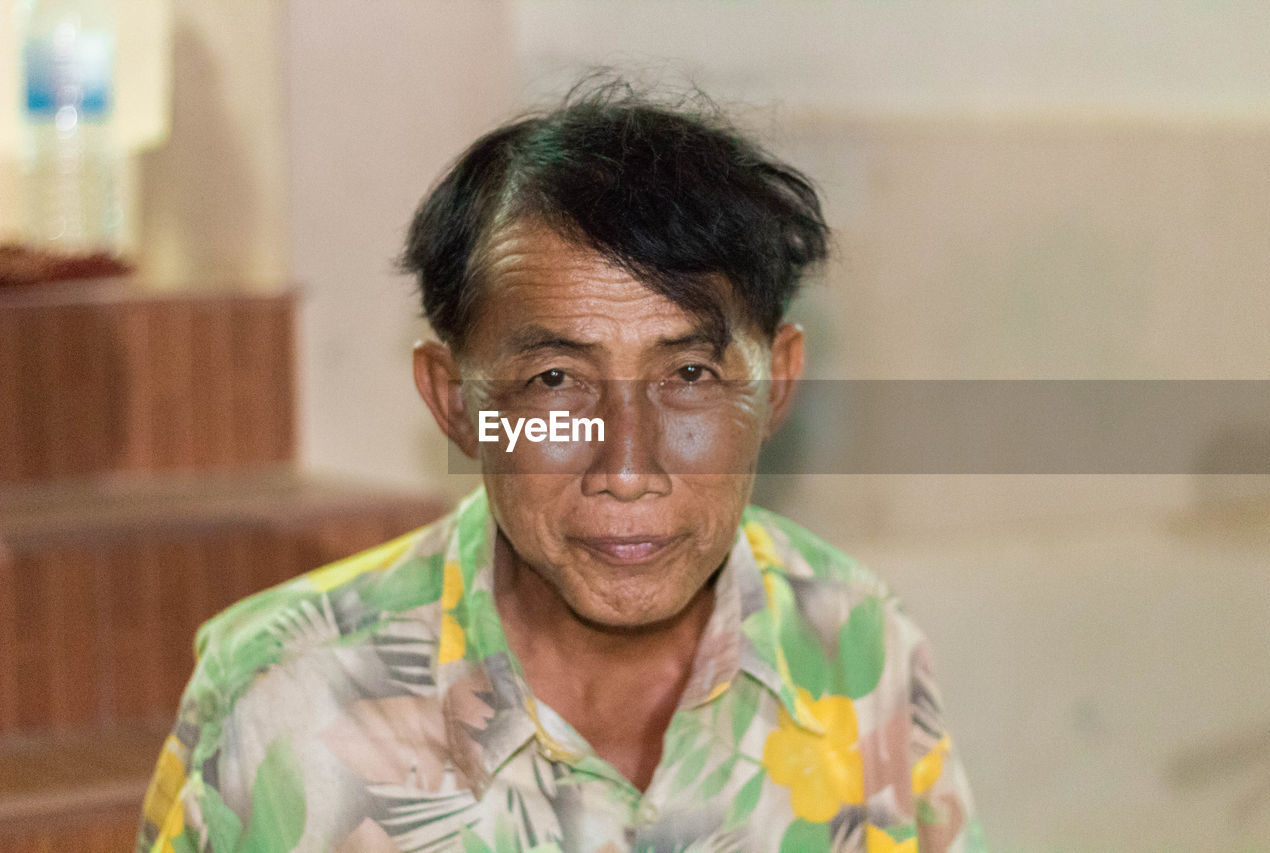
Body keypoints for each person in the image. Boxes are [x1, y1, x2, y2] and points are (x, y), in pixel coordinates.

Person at [137, 81, 982, 853]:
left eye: (689, 376)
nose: (627, 466)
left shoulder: (858, 647)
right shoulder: (283, 699)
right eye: (554, 381)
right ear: (456, 404)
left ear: (776, 386)